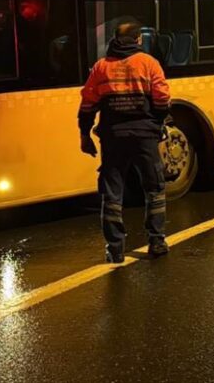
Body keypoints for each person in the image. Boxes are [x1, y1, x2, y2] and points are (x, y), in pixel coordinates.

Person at [78, 20, 172, 263]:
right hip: (144, 137)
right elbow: (162, 98)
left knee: (112, 192)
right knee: (154, 188)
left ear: (115, 39)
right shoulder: (149, 63)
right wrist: (157, 122)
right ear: (138, 39)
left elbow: (87, 105)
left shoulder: (101, 68)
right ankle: (156, 240)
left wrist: (85, 134)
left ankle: (115, 248)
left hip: (113, 137)